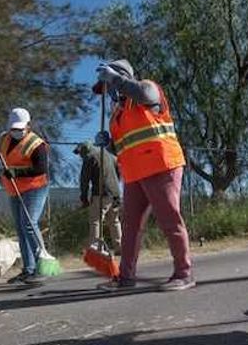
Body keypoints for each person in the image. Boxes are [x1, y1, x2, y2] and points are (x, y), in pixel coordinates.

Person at [93, 59, 195, 291]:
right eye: (106, 87)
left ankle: (184, 274)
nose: (108, 91)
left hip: (161, 166)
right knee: (130, 226)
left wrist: (116, 79)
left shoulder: (147, 89)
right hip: (134, 174)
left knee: (170, 220)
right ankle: (126, 277)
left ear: (121, 77)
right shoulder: (116, 115)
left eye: (109, 84)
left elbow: (146, 95)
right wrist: (108, 144)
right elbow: (124, 147)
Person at [0, 107, 52, 284]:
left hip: (35, 187)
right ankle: (29, 270)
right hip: (15, 189)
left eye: (20, 128)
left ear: (28, 126)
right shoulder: (4, 139)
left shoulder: (36, 143)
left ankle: (42, 267)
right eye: (14, 128)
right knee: (21, 228)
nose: (17, 132)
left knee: (29, 224)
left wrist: (17, 172)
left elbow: (41, 168)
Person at [74, 142, 123, 254]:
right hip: (115, 193)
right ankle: (120, 247)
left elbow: (84, 180)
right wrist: (116, 189)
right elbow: (118, 172)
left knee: (96, 221)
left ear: (85, 150)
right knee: (114, 221)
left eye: (80, 153)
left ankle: (96, 247)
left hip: (101, 194)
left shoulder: (89, 157)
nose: (80, 156)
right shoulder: (110, 155)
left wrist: (84, 198)